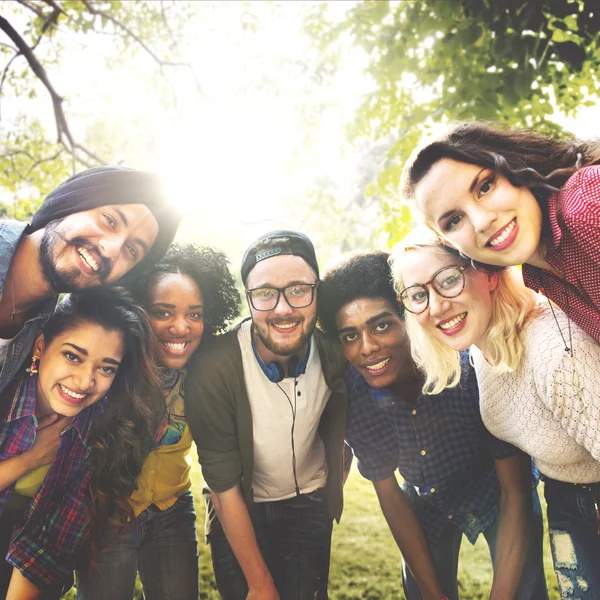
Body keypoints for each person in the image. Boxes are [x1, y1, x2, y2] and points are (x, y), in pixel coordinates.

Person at [318, 249, 547, 600]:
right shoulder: (355, 392)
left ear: (408, 318)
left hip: (498, 491)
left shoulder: (470, 370)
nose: (367, 348)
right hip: (427, 497)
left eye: (381, 325)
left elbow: (514, 491)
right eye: (349, 335)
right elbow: (389, 494)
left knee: (523, 591)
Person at [391, 228, 600, 598]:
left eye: (449, 280)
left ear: (488, 272)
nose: (436, 306)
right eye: (418, 295)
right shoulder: (479, 353)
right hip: (566, 502)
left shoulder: (553, 349)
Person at [185, 230, 347, 600]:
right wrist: (260, 586)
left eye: (298, 289)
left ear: (317, 291)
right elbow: (224, 488)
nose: (283, 308)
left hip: (310, 502)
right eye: (265, 294)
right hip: (240, 506)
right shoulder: (215, 366)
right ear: (248, 299)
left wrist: (336, 475)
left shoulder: (337, 350)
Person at [76, 244, 240, 600]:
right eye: (163, 313)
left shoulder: (204, 371)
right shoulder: (112, 367)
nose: (181, 327)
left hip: (172, 510)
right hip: (108, 510)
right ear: (136, 311)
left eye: (194, 314)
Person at [0, 287, 163, 600]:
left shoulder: (104, 429)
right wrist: (30, 458)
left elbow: (51, 542)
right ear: (40, 346)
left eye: (106, 368)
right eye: (73, 357)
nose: (86, 382)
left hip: (24, 567)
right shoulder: (6, 394)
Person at [400, 121, 600, 342]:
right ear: (447, 242)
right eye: (454, 221)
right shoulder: (539, 275)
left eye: (484, 187)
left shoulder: (586, 202)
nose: (482, 222)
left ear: (514, 167)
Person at [0, 165, 181, 395]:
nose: (111, 250)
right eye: (109, 220)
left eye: (131, 250)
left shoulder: (43, 327)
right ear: (71, 203)